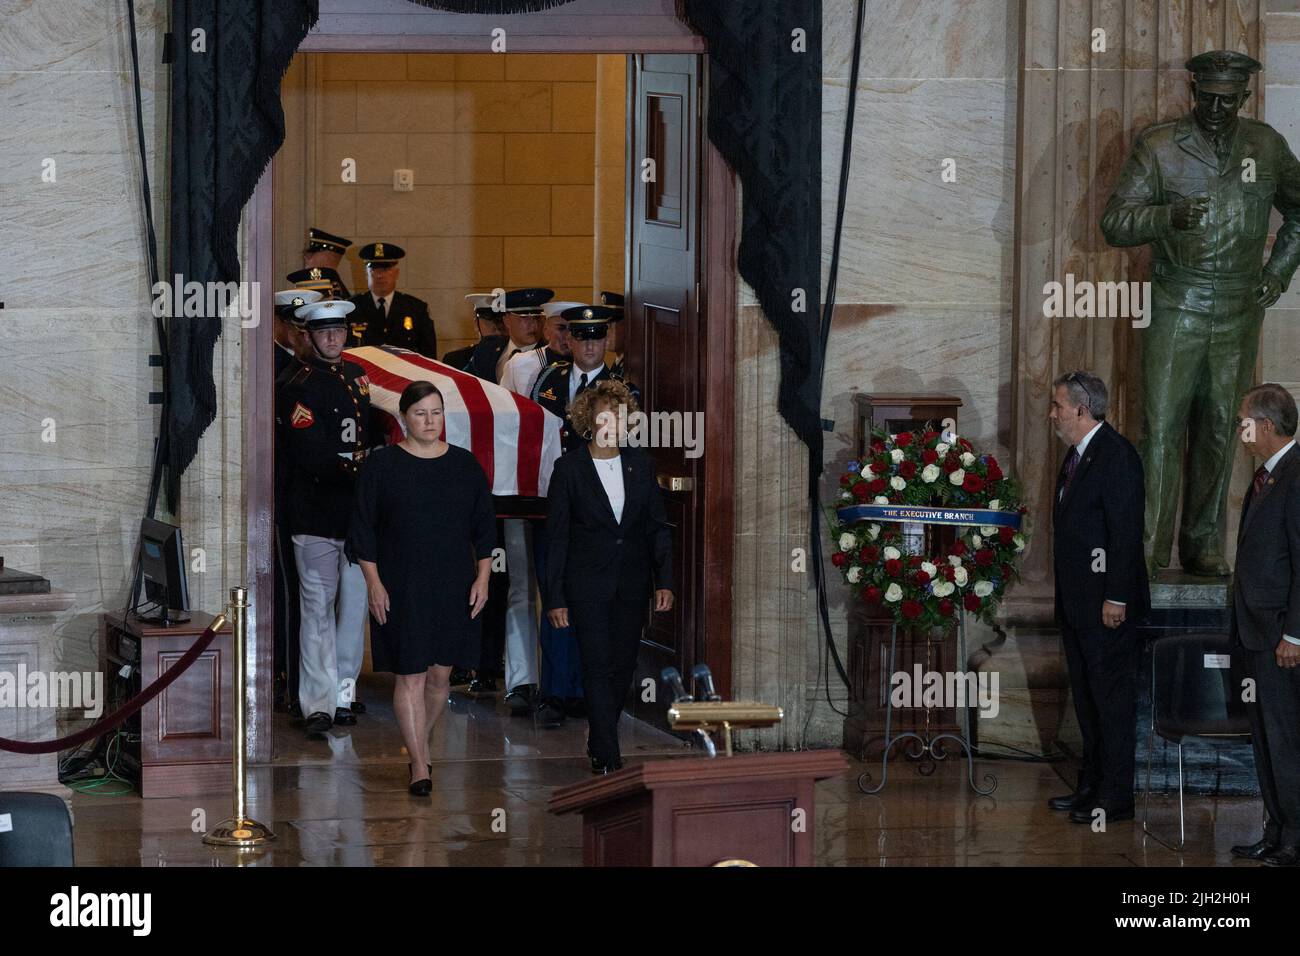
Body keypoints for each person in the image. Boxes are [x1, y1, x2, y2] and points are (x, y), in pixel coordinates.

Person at [1101, 50, 1300, 578]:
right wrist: (1168, 216)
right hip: (1177, 302)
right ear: (1192, 93)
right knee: (1161, 428)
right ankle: (1147, 547)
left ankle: (1203, 544)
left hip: (1238, 307)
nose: (1215, 108)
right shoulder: (1161, 145)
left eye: (1227, 100)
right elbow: (1115, 222)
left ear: (1243, 98)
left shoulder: (1266, 145)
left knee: (1220, 426)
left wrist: (1277, 273)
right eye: (1207, 97)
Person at [349, 381, 495, 796]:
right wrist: (373, 584)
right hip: (401, 583)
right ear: (403, 419)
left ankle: (421, 742)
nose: (430, 421)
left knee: (439, 675)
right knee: (410, 673)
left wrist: (483, 577)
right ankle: (418, 763)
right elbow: (363, 530)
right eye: (420, 413)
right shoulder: (383, 466)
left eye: (436, 412)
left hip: (454, 582)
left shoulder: (465, 465)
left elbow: (484, 527)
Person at [545, 379, 674, 773]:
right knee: (596, 664)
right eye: (604, 415)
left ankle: (601, 734)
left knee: (623, 665)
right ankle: (608, 752)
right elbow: (557, 538)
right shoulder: (568, 469)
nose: (611, 423)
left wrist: (664, 579)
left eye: (618, 416)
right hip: (586, 585)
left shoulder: (641, 464)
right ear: (588, 419)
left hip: (632, 583)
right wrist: (555, 597)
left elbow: (656, 526)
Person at [1047, 370, 1149, 824]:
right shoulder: (1076, 456)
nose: (1052, 414)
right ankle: (1090, 787)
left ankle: (1115, 796)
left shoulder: (1116, 456)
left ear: (1081, 410)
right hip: (1077, 605)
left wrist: (1118, 598)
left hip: (1108, 608)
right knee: (1087, 702)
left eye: (1057, 406)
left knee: (1111, 703)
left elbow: (1125, 534)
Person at [277, 298, 377, 736]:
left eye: (339, 331)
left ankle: (343, 692)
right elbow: (309, 453)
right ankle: (317, 702)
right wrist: (364, 469)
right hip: (316, 512)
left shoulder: (357, 376)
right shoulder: (298, 383)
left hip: (354, 516)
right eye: (324, 332)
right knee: (317, 609)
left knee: (353, 609)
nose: (333, 338)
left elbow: (368, 432)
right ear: (309, 337)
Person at [1228, 383, 1300, 866]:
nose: (1240, 430)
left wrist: (1295, 633)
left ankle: (1294, 839)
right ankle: (1274, 830)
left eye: (1244, 422)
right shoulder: (1268, 475)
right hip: (1256, 632)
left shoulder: (1296, 475)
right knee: (1265, 741)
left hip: (1280, 637)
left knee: (1285, 741)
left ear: (1267, 425)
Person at [271, 289, 321, 716]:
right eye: (302, 328)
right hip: (287, 492)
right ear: (283, 325)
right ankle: (286, 676)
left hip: (317, 496)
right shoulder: (276, 368)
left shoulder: (312, 370)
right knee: (289, 589)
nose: (308, 337)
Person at [533, 305, 640, 453]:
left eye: (596, 338)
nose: (590, 346)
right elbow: (534, 427)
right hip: (550, 469)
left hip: (593, 473)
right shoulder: (548, 376)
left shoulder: (621, 390)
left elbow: (627, 447)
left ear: (606, 341)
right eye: (582, 338)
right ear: (569, 341)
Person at [349, 243, 438, 357]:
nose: (380, 276)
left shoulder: (416, 308)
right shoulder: (352, 307)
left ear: (396, 273)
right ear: (366, 273)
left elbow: (429, 355)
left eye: (386, 269)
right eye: (374, 269)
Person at [461, 287, 550, 383]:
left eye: (537, 318)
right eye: (524, 318)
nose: (534, 324)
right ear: (506, 320)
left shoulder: (550, 355)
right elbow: (464, 381)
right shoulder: (488, 348)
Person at [441, 294, 505, 371]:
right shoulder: (456, 360)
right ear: (476, 324)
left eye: (501, 322)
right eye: (489, 322)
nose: (496, 327)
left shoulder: (518, 358)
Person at [302, 227, 353, 299]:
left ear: (327, 257)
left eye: (311, 254)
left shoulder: (332, 290)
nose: (306, 258)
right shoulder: (333, 286)